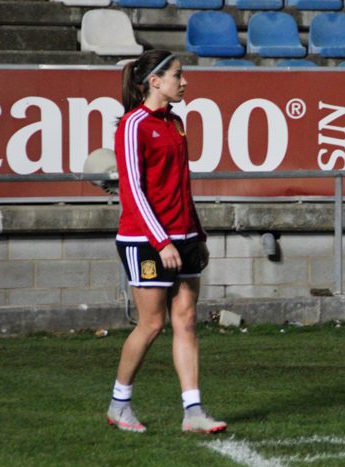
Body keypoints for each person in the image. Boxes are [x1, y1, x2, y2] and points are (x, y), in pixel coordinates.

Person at [106, 50, 226, 435]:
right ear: (154, 81)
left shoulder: (176, 123)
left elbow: (182, 187)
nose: (185, 81)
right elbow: (134, 192)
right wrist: (161, 242)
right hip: (144, 240)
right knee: (153, 323)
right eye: (178, 75)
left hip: (185, 236)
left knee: (187, 320)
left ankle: (193, 412)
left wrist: (199, 234)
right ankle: (119, 404)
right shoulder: (132, 125)